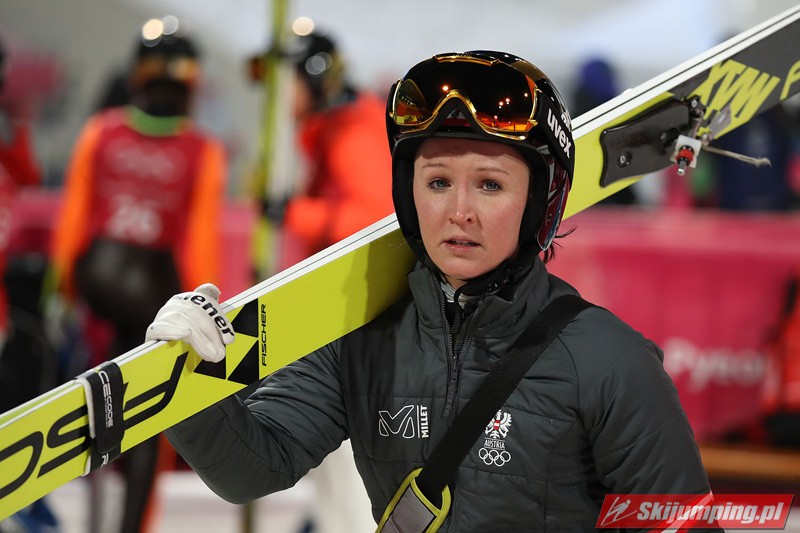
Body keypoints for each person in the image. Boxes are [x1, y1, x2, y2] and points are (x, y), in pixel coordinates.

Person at [147, 50, 713, 530]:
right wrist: (187, 382)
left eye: (490, 185)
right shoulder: (357, 339)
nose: (459, 211)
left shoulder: (609, 361)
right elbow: (251, 469)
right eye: (438, 181)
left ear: (538, 201)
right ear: (407, 191)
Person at [50, 19, 227, 533]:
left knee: (98, 390)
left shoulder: (101, 130)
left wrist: (63, 288)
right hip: (153, 287)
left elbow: (74, 219)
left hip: (98, 275)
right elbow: (199, 243)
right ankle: (134, 525)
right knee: (150, 413)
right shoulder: (202, 149)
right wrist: (205, 309)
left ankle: (88, 504)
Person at [249, 30, 395, 269]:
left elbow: (378, 218)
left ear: (314, 83)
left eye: (284, 83)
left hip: (361, 276)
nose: (274, 96)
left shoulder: (353, 134)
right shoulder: (335, 128)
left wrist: (291, 213)